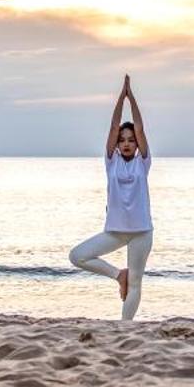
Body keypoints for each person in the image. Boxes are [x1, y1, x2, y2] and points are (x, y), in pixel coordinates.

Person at [68, 74, 153, 320]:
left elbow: (140, 126)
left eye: (131, 140)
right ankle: (118, 275)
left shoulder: (143, 164)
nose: (126, 143)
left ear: (137, 145)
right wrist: (120, 97)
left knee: (137, 282)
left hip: (142, 231)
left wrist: (132, 97)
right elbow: (113, 126)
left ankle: (125, 327)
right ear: (116, 144)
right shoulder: (111, 162)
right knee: (78, 256)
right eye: (122, 140)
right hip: (115, 230)